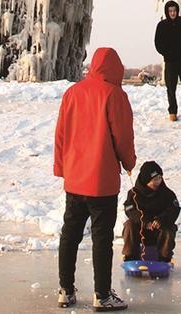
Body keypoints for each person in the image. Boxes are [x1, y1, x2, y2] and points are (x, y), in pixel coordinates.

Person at [54, 46, 136, 311]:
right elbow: (122, 136)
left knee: (70, 235)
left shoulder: (72, 93)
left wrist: (61, 167)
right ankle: (102, 295)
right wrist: (129, 162)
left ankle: (65, 290)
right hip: (102, 181)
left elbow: (61, 134)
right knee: (102, 239)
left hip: (75, 178)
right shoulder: (114, 95)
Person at [121, 160, 180, 263]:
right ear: (146, 181)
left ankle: (164, 258)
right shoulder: (133, 194)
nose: (158, 182)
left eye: (160, 178)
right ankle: (130, 256)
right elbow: (130, 210)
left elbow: (173, 210)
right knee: (129, 225)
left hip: (159, 231)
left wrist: (160, 220)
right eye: (155, 179)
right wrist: (145, 221)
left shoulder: (168, 194)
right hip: (141, 230)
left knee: (169, 228)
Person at [153, 0, 181, 122]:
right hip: (170, 62)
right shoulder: (162, 25)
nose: (172, 13)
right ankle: (172, 112)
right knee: (170, 87)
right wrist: (166, 53)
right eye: (170, 11)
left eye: (174, 10)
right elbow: (157, 42)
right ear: (167, 12)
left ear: (177, 11)